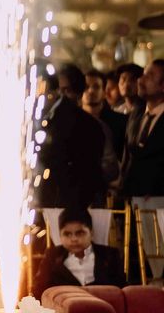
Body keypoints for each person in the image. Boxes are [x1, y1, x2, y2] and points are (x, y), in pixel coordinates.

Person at [34, 65, 107, 209]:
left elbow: (88, 171)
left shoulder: (77, 121)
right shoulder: (47, 117)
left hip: (66, 206)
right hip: (48, 201)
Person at [33, 207, 126, 296]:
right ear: (60, 236)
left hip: (104, 307)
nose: (74, 239)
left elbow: (121, 289)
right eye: (67, 234)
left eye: (80, 233)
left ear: (91, 233)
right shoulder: (52, 256)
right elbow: (39, 290)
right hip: (64, 308)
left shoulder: (109, 255)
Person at [121, 59, 164, 200]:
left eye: (149, 76)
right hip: (130, 200)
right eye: (143, 74)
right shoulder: (136, 114)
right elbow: (127, 157)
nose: (140, 80)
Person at [82, 70, 128, 163]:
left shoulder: (121, 122)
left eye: (96, 87)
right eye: (86, 87)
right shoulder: (71, 121)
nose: (91, 91)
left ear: (104, 92)